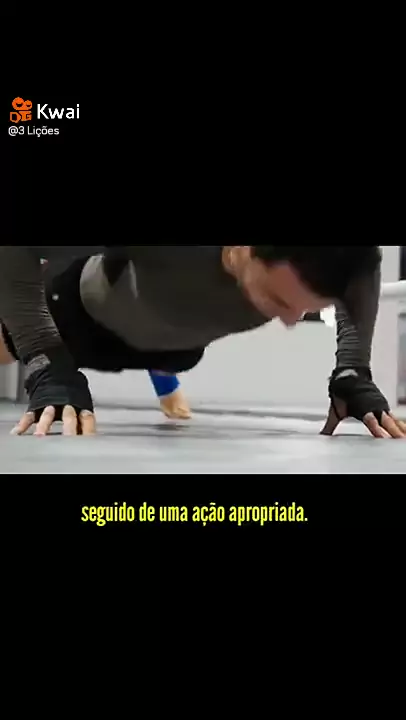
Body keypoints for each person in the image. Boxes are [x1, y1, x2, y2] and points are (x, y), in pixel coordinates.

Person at [0, 245, 404, 439]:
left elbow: (362, 276)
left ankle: (162, 371)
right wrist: (43, 359)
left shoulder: (341, 263)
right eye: (278, 301)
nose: (290, 321)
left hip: (176, 348)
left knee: (175, 349)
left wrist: (352, 371)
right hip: (78, 317)